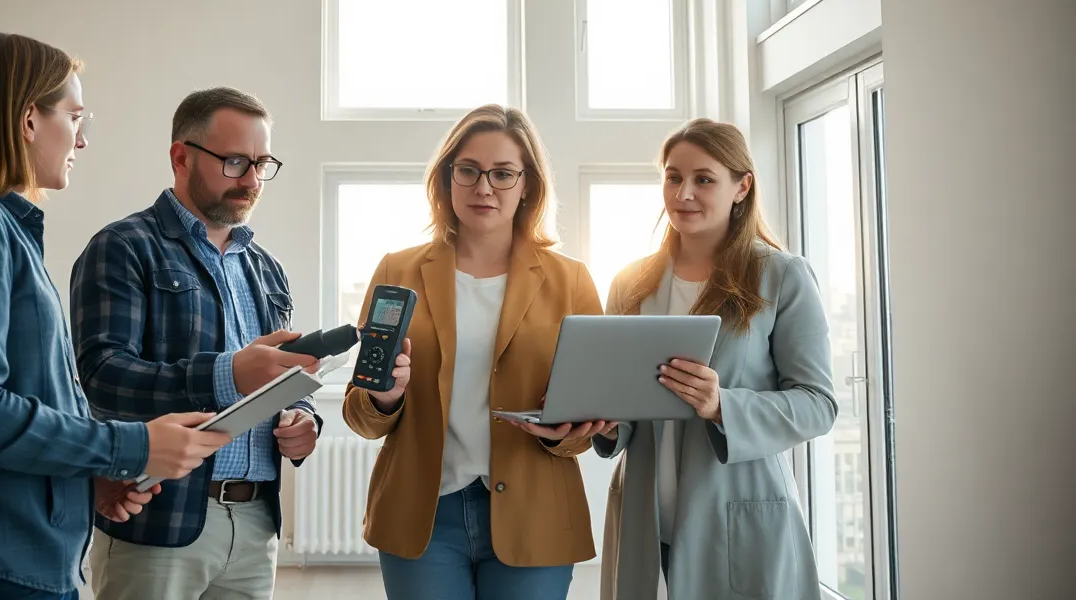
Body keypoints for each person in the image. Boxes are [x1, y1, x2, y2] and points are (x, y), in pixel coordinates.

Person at [0, 33, 228, 600]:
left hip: (5, 553)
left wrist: (84, 478)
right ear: (29, 118)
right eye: (75, 117)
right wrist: (130, 445)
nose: (82, 138)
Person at [343, 104, 607, 600]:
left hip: (536, 513)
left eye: (503, 173)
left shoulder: (570, 280)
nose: (484, 187)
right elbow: (360, 416)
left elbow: (589, 424)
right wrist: (384, 398)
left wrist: (567, 431)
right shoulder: (396, 271)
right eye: (468, 170)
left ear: (527, 185)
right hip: (421, 514)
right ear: (447, 178)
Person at [71, 86, 323, 600]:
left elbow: (278, 379)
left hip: (255, 522)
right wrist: (227, 374)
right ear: (181, 157)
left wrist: (303, 418)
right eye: (235, 162)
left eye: (262, 164)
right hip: (156, 518)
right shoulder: (122, 247)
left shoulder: (267, 269)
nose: (251, 180)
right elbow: (101, 377)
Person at [593, 119, 837, 600]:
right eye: (673, 177)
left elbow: (818, 404)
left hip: (741, 518)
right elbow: (621, 408)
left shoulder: (782, 276)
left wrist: (722, 405)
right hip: (646, 520)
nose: (683, 193)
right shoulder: (630, 284)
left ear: (741, 187)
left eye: (703, 179)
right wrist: (602, 422)